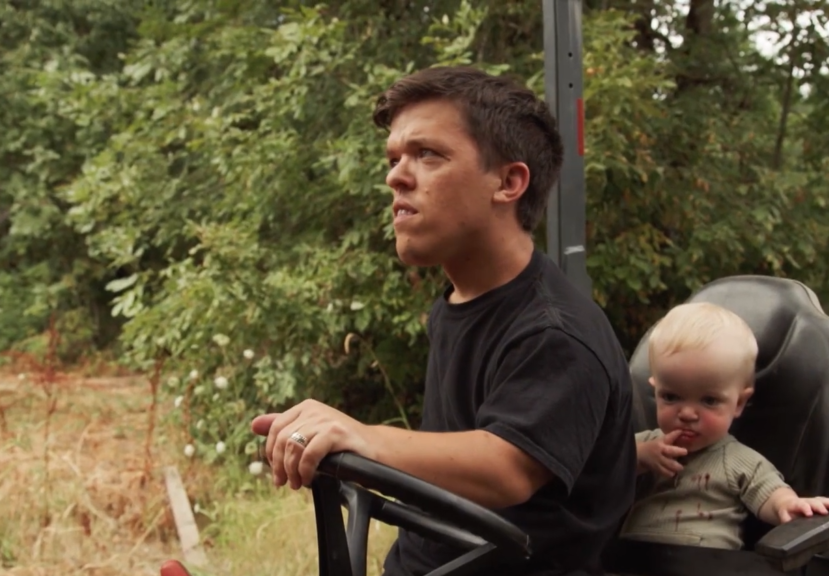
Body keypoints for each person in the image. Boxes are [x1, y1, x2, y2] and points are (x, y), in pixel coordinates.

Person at [249, 65, 637, 575]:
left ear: (508, 182)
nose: (395, 176)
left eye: (427, 154)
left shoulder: (554, 332)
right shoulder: (456, 302)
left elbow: (506, 468)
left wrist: (358, 435)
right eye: (393, 159)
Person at [618, 302, 829, 550]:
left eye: (709, 401)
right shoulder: (641, 444)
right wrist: (640, 457)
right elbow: (602, 472)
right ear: (655, 390)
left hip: (708, 565)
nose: (687, 413)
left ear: (739, 403)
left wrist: (788, 505)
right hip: (631, 562)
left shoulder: (737, 460)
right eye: (670, 397)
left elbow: (769, 492)